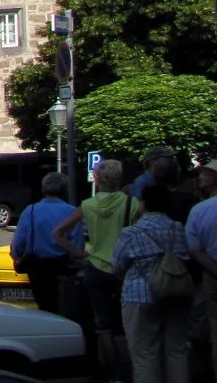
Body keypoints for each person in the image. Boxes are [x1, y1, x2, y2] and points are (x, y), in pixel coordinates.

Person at [56, 159, 131, 382]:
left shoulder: (88, 205)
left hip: (96, 267)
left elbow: (58, 233)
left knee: (103, 326)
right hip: (122, 268)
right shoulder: (131, 203)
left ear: (97, 180)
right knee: (128, 322)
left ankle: (113, 375)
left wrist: (79, 253)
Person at [114, 183, 192, 383]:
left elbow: (118, 265)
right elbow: (184, 257)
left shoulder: (131, 232)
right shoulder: (177, 228)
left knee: (144, 354)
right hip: (176, 293)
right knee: (177, 351)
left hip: (139, 296)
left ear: (143, 204)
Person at [11, 171, 79, 315]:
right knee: (65, 309)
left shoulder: (31, 210)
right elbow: (78, 246)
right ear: (64, 189)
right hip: (63, 268)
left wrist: (17, 257)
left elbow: (17, 245)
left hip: (38, 268)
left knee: (45, 308)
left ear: (43, 189)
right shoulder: (72, 212)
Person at [186, 165, 217, 383]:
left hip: (211, 272)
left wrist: (213, 270)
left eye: (206, 173)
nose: (200, 176)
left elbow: (193, 247)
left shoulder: (200, 209)